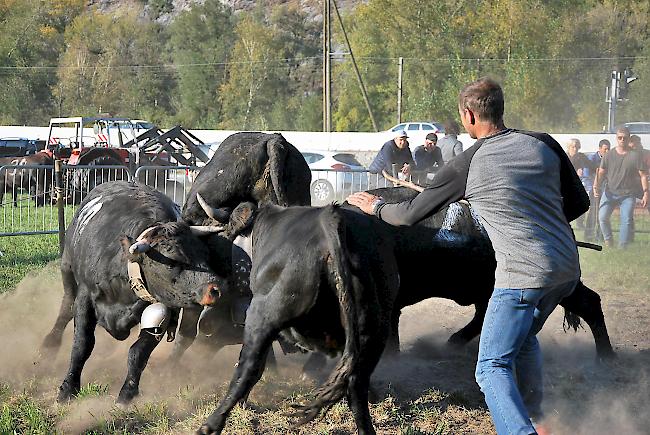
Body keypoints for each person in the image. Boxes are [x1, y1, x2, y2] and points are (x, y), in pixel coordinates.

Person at [348, 77, 588, 435]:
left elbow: (409, 215)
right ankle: (535, 417)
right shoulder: (543, 143)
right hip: (567, 268)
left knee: (490, 367)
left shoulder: (467, 163)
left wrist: (375, 206)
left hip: (522, 274)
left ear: (469, 115)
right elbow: (580, 203)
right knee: (522, 339)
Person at [594, 127, 649, 248]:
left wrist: (646, 193)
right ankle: (609, 242)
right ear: (616, 138)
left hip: (628, 195)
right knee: (602, 218)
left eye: (624, 138)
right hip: (609, 192)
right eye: (620, 137)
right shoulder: (609, 155)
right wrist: (596, 187)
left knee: (626, 220)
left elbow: (643, 175)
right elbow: (601, 172)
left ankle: (622, 247)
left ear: (628, 138)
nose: (622, 140)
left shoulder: (635, 156)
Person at [583, 139, 610, 241]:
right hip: (593, 190)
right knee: (592, 213)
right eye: (605, 149)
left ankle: (601, 236)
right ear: (599, 149)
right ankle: (588, 235)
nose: (607, 151)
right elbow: (587, 175)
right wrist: (592, 189)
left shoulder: (609, 159)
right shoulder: (592, 159)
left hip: (606, 190)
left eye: (608, 149)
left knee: (603, 213)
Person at [566, 138, 593, 229]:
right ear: (568, 147)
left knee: (582, 202)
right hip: (566, 184)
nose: (575, 149)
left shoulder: (581, 156)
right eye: (573, 147)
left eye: (577, 147)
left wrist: (584, 169)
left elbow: (591, 166)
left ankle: (580, 222)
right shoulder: (564, 157)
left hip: (578, 184)